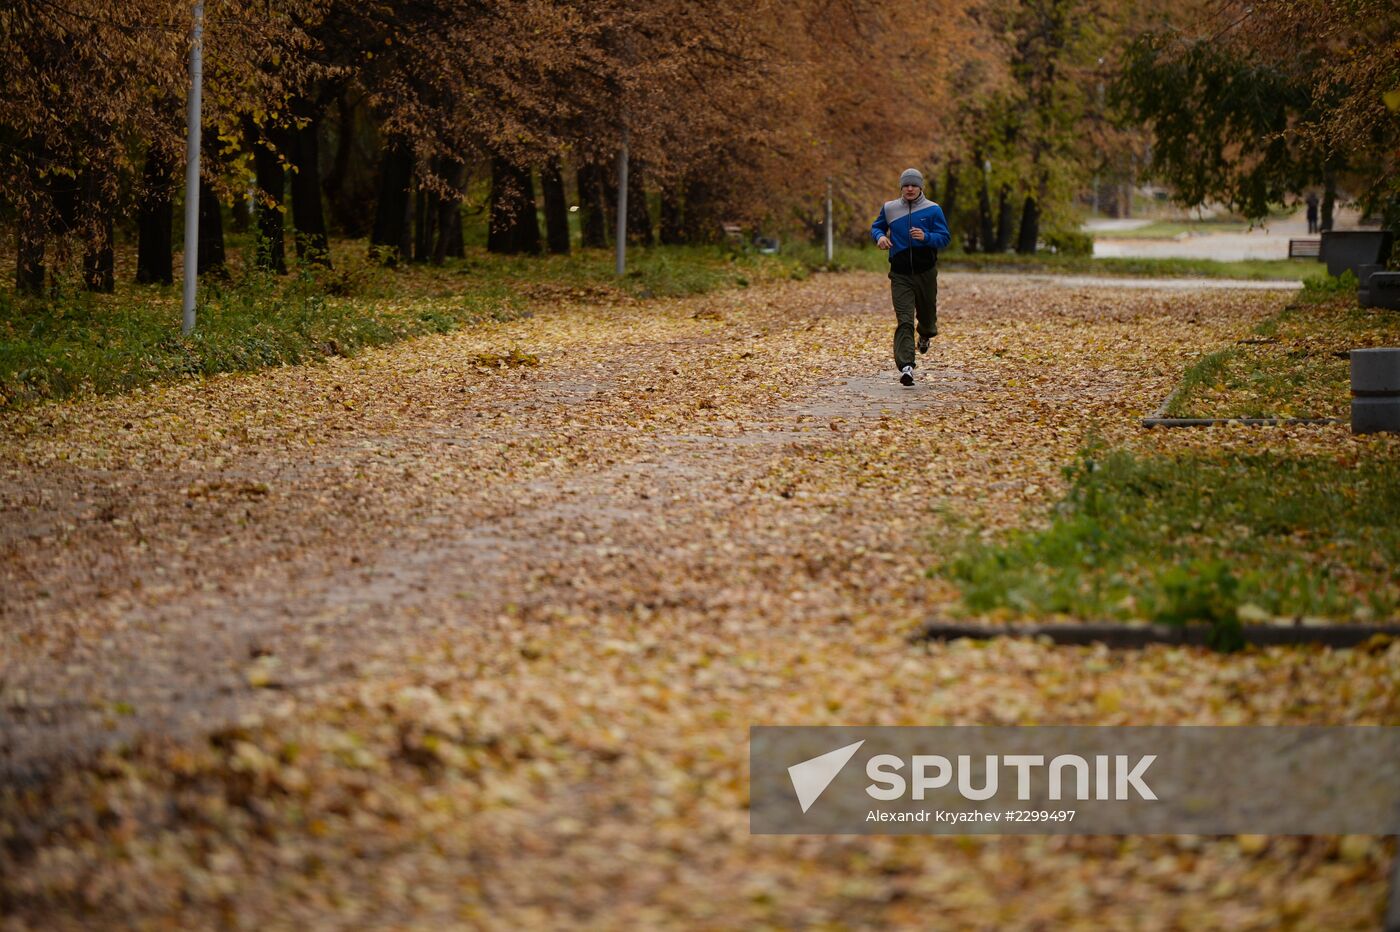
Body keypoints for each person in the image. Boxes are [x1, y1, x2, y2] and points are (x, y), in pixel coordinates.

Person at [871, 168, 951, 385]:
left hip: (925, 272)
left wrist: (926, 237)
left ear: (920, 187)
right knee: (904, 320)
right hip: (900, 274)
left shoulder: (933, 210)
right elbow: (877, 227)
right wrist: (879, 237)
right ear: (901, 187)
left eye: (913, 185)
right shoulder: (890, 208)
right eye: (906, 185)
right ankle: (906, 367)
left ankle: (925, 335)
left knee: (927, 317)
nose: (909, 188)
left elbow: (944, 238)